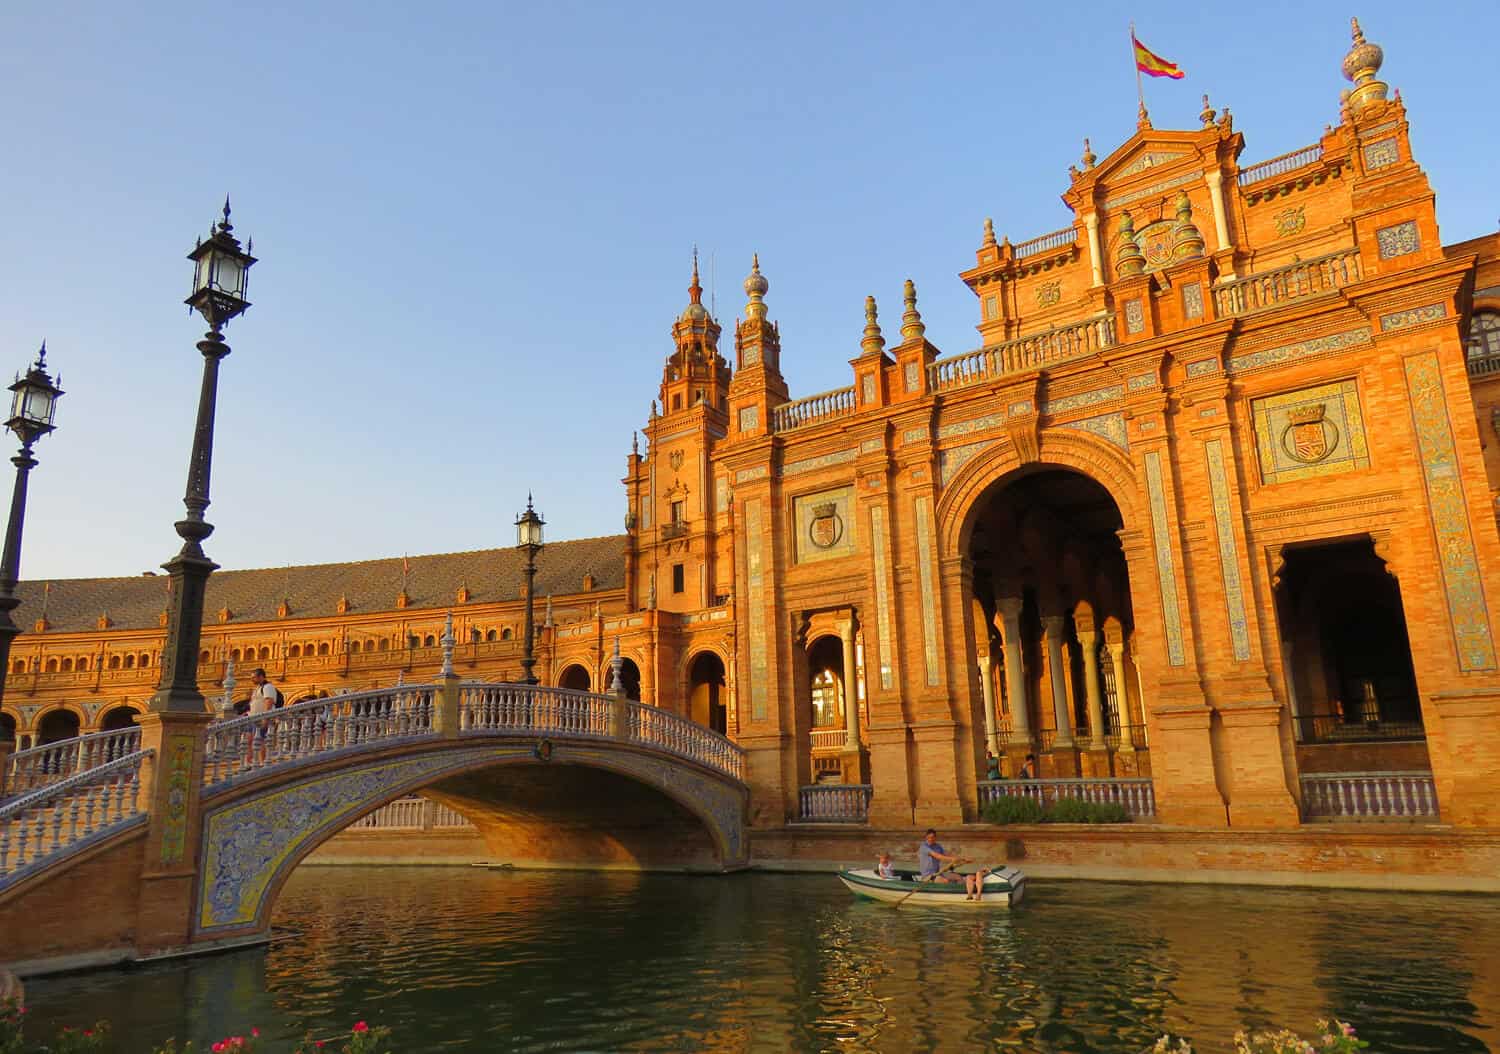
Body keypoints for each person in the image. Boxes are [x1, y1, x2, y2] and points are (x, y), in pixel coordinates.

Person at [917, 829, 988, 899]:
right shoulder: (924, 847)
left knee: (958, 877)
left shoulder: (938, 846)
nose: (931, 839)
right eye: (929, 837)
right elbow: (938, 856)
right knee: (946, 881)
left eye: (933, 837)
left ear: (935, 837)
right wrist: (952, 859)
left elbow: (948, 857)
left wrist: (964, 861)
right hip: (928, 877)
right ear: (926, 837)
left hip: (938, 873)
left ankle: (968, 890)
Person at [248, 668, 279, 763]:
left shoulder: (268, 687)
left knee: (262, 740)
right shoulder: (258, 688)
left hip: (262, 718)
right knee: (252, 740)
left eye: (254, 677)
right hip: (254, 718)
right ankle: (252, 761)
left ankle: (263, 761)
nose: (252, 679)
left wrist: (265, 718)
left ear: (261, 676)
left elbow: (268, 702)